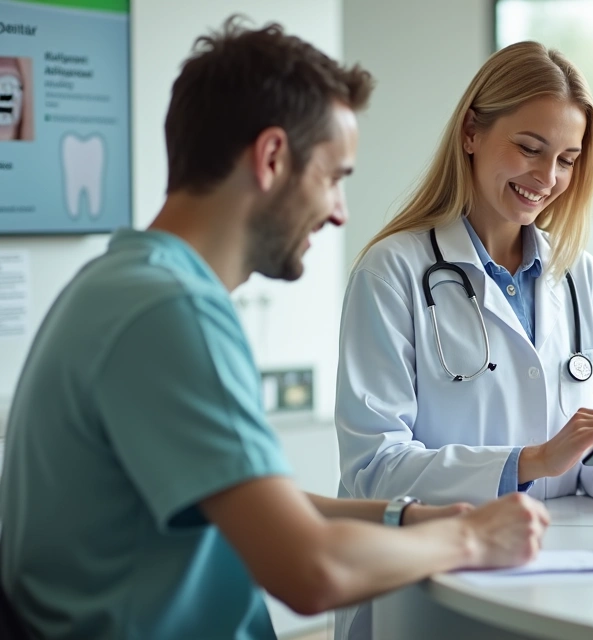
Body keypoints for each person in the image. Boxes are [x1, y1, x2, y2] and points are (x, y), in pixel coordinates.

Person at [0, 18, 548, 640]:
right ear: (271, 158)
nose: (340, 212)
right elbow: (309, 571)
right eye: (335, 177)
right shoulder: (170, 313)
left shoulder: (125, 284)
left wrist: (406, 518)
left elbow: (259, 503)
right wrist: (470, 538)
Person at [334, 41, 593, 639]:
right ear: (471, 131)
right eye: (529, 148)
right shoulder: (392, 271)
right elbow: (374, 470)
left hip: (559, 586)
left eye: (568, 159)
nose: (547, 179)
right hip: (428, 590)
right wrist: (529, 461)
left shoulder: (580, 277)